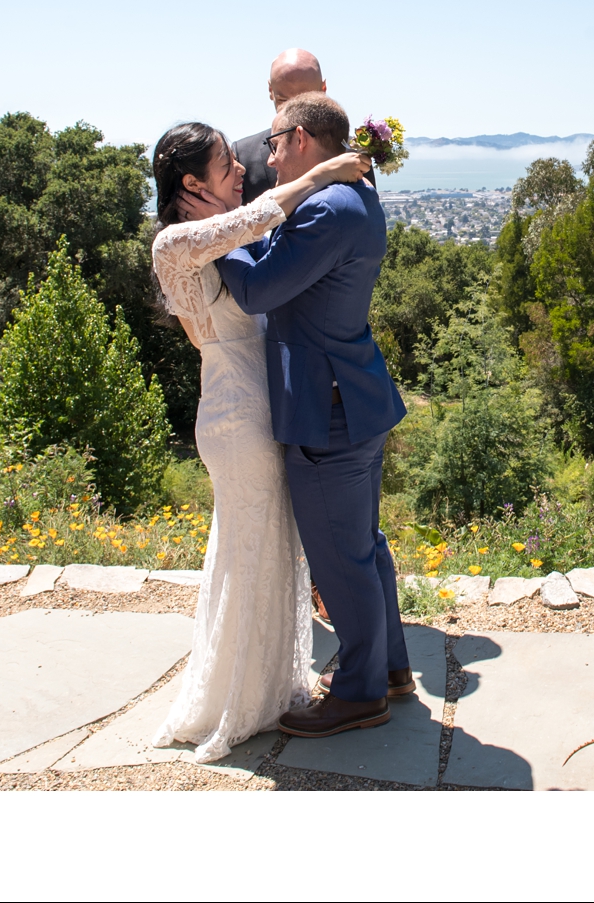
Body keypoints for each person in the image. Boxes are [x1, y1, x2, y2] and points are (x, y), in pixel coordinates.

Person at [146, 121, 373, 762]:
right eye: (225, 164)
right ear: (191, 183)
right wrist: (324, 173)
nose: (241, 168)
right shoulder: (176, 242)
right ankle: (238, 700)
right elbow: (257, 220)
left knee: (264, 552)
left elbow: (254, 228)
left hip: (257, 407)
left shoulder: (227, 233)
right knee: (251, 554)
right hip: (237, 416)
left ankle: (263, 685)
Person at [215, 91, 412, 738]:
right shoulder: (347, 195)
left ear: (301, 139)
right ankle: (388, 670)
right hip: (351, 398)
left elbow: (257, 289)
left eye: (273, 141)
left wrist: (222, 232)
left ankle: (359, 693)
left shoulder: (325, 209)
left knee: (340, 559)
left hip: (328, 411)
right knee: (363, 549)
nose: (266, 153)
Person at [231, 47, 326, 206]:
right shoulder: (244, 156)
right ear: (270, 90)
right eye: (283, 101)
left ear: (323, 90)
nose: (293, 113)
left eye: (304, 101)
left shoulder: (352, 152)